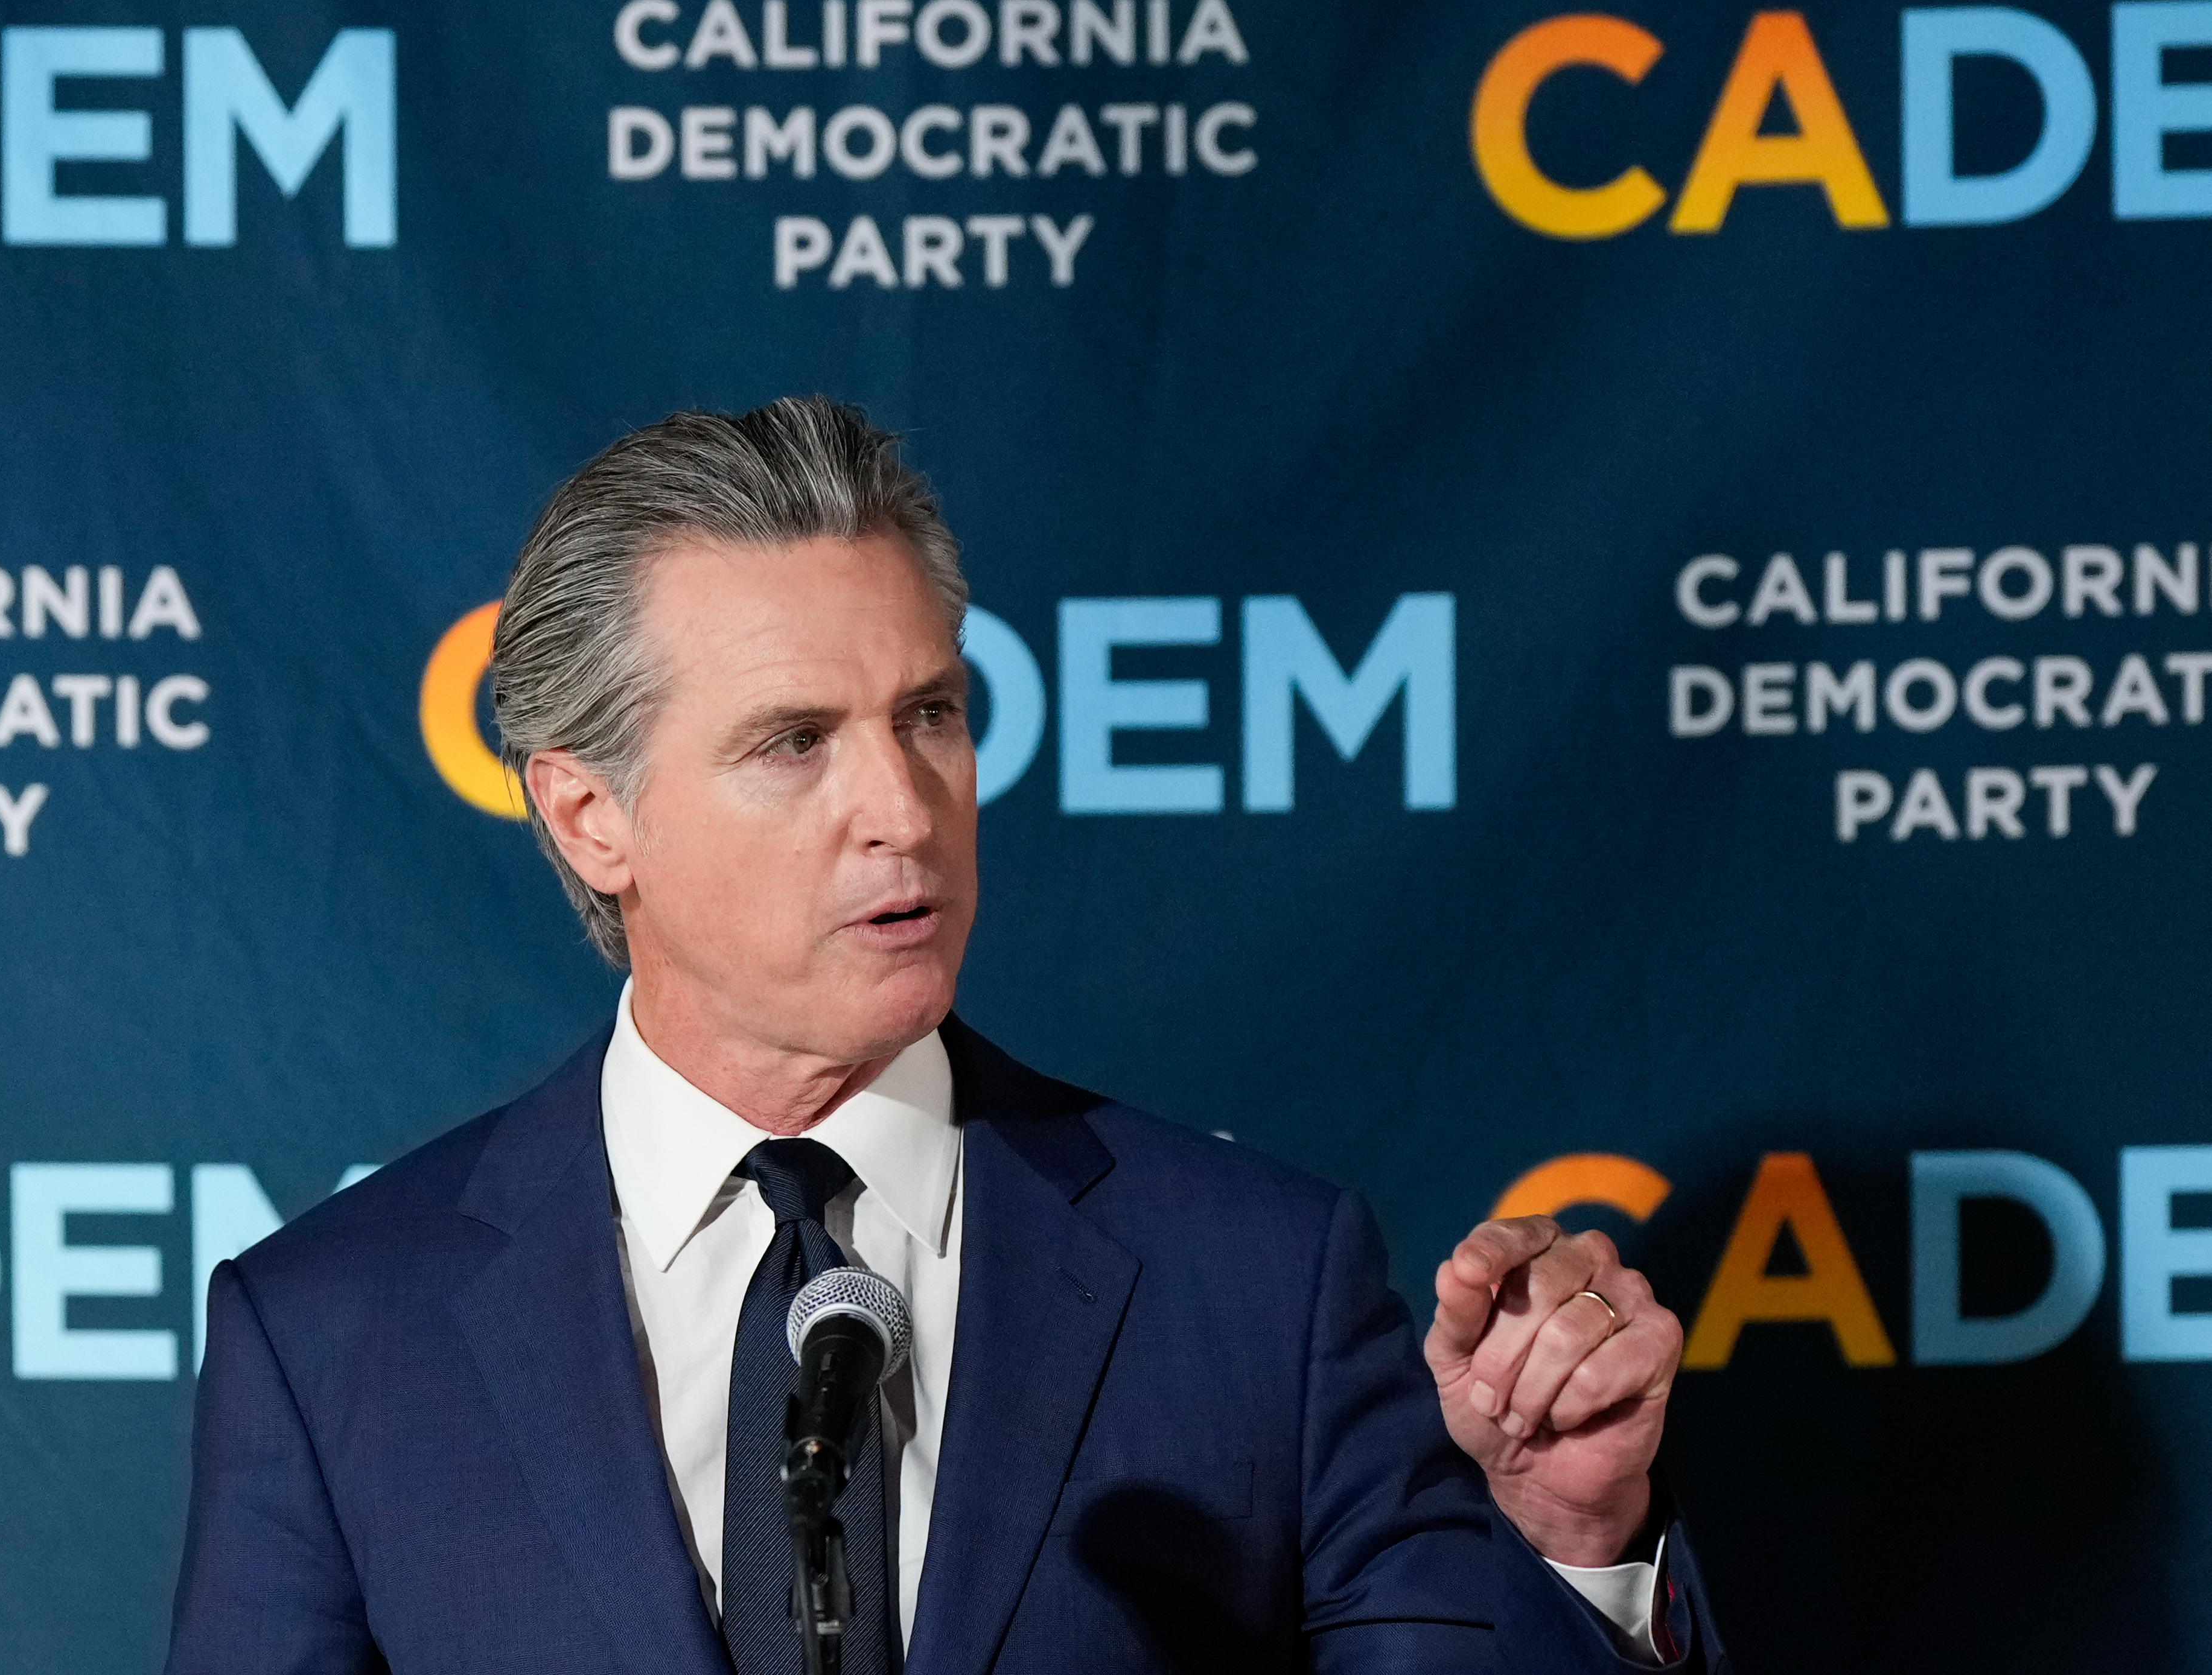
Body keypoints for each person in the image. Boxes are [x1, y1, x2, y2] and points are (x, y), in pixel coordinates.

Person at [168, 397, 1723, 1672]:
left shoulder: (1257, 1284)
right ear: (590, 815)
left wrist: (1564, 1541)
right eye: (793, 743)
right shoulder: (335, 1339)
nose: (902, 811)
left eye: (930, 715)